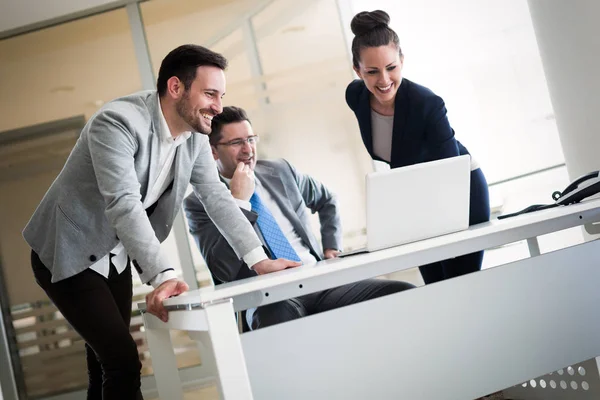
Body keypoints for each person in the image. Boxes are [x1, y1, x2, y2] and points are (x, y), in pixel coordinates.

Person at [23, 45, 299, 400]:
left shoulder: (196, 135)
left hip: (116, 252)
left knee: (104, 362)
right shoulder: (117, 123)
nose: (218, 105)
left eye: (221, 95)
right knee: (122, 361)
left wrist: (259, 260)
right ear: (175, 88)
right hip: (66, 249)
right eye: (210, 93)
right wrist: (165, 277)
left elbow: (214, 195)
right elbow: (124, 204)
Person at [183, 106, 415, 330]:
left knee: (402, 291)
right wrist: (239, 203)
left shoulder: (280, 171)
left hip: (317, 279)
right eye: (236, 143)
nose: (248, 149)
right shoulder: (198, 203)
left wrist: (331, 247)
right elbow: (222, 269)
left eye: (251, 139)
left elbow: (327, 200)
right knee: (276, 319)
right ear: (213, 151)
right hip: (267, 296)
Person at [345, 10, 490, 284]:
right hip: (417, 197)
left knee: (460, 283)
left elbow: (449, 173)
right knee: (435, 285)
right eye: (372, 72)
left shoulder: (427, 103)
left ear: (402, 60)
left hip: (459, 190)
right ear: (357, 70)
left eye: (391, 68)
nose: (384, 80)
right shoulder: (355, 96)